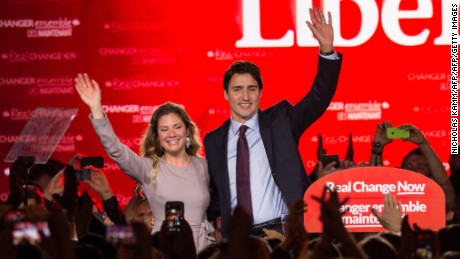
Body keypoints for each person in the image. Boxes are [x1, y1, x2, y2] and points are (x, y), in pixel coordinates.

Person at [204, 7, 342, 237]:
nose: (245, 97)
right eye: (237, 89)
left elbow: (318, 98)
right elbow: (217, 192)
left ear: (260, 93)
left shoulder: (281, 121)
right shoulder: (213, 140)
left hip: (285, 231)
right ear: (226, 94)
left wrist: (326, 51)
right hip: (239, 239)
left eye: (252, 89)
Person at [74, 74, 214, 251]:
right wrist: (96, 108)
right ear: (157, 136)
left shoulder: (205, 167)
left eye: (177, 127)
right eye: (164, 129)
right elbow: (115, 149)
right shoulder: (148, 168)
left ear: (187, 130)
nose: (172, 134)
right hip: (164, 250)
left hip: (203, 250)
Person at [370, 121, 456, 222]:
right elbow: (373, 182)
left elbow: (443, 182)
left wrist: (423, 143)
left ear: (432, 176)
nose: (413, 171)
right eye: (408, 166)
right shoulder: (391, 197)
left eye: (420, 167)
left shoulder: (437, 198)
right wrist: (377, 145)